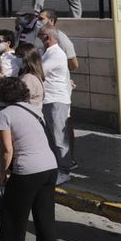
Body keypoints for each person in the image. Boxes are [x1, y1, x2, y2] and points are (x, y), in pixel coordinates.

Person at [0, 77, 61, 241]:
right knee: (45, 213)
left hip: (28, 168)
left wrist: (2, 172)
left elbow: (7, 150)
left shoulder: (5, 114)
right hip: (50, 166)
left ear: (3, 94)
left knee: (13, 209)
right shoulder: (34, 109)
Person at [39, 27, 73, 184]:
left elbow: (40, 71)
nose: (39, 37)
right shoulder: (47, 52)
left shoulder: (56, 53)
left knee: (59, 139)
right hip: (48, 100)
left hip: (56, 100)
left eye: (42, 35)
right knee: (51, 138)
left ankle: (64, 171)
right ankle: (55, 168)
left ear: (49, 37)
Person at [17, 43, 46, 109]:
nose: (16, 59)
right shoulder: (35, 75)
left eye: (19, 56)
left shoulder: (28, 78)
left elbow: (18, 98)